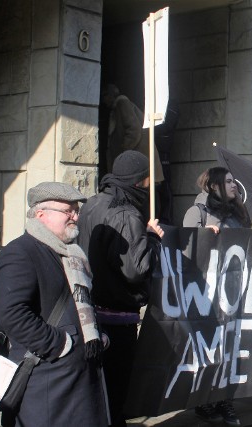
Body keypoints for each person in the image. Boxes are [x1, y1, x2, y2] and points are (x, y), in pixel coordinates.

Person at [0, 182, 109, 426]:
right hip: (47, 381)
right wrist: (60, 344)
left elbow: (81, 303)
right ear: (41, 213)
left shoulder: (72, 253)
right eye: (68, 211)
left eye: (76, 211)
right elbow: (10, 313)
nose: (75, 216)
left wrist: (97, 334)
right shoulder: (20, 252)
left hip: (79, 379)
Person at [78, 150, 164, 427]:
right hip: (117, 315)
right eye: (146, 180)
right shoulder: (127, 214)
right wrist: (151, 239)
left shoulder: (92, 203)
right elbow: (136, 269)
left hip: (91, 309)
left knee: (99, 389)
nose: (149, 186)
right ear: (137, 181)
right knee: (117, 391)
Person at [183, 166, 247, 426]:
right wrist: (203, 237)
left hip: (232, 291)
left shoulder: (238, 215)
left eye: (234, 181)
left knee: (228, 347)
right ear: (213, 185)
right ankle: (203, 400)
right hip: (205, 293)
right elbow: (185, 249)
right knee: (208, 347)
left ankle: (224, 400)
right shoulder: (196, 212)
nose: (234, 185)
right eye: (229, 181)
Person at [101, 83, 164, 183]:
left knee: (144, 192)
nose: (104, 101)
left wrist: (124, 153)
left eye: (104, 96)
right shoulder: (118, 106)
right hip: (139, 164)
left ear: (110, 95)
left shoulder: (122, 102)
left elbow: (133, 129)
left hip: (138, 165)